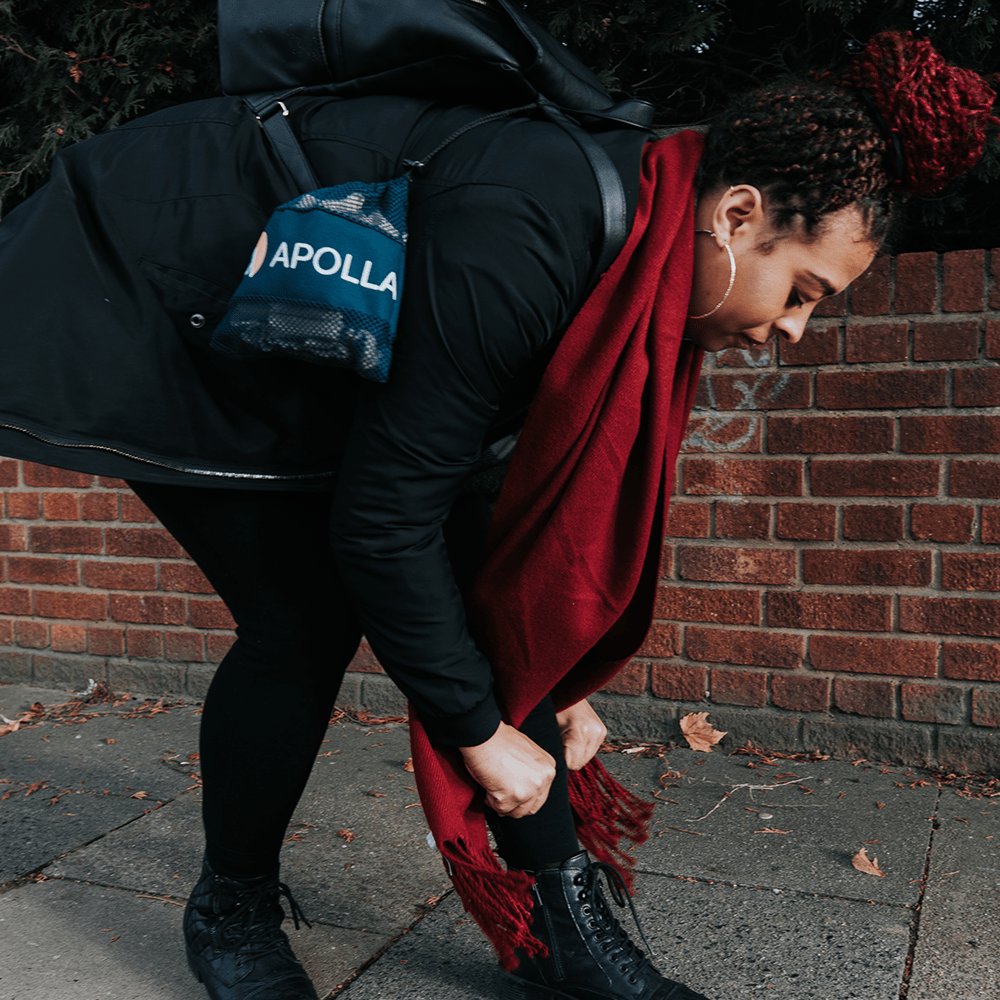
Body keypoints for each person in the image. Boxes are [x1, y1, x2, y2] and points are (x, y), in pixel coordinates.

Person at [0, 25, 995, 1000]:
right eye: (803, 290)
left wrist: (547, 676)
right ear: (736, 216)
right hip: (148, 278)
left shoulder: (631, 233)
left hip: (302, 303)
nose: (790, 328)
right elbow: (385, 521)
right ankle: (231, 908)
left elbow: (473, 500)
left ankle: (566, 922)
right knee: (298, 619)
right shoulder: (529, 231)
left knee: (485, 621)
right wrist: (479, 731)